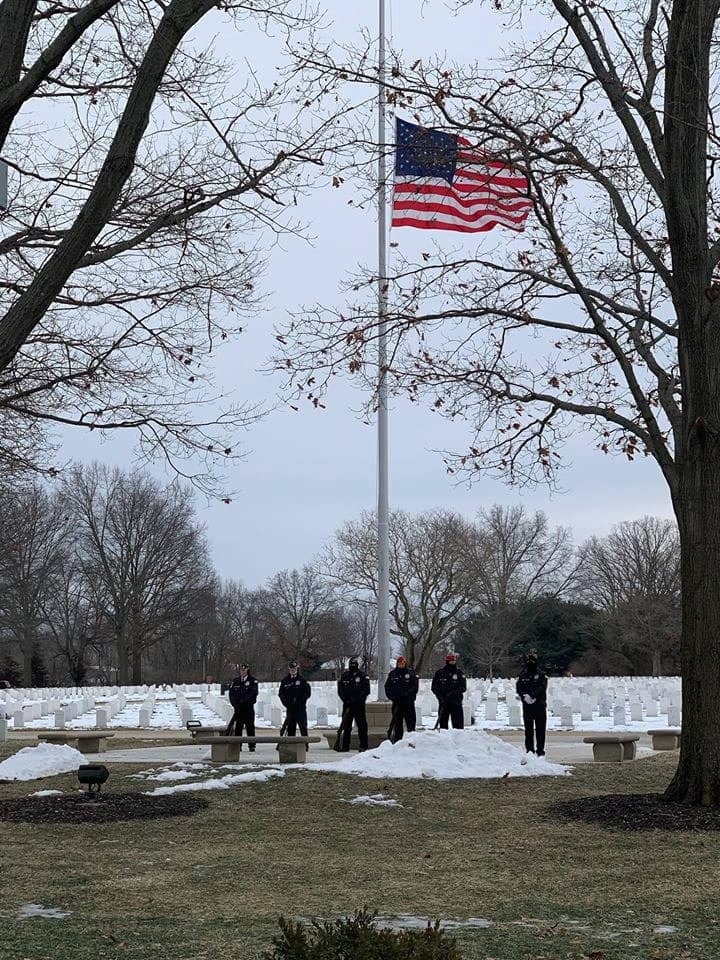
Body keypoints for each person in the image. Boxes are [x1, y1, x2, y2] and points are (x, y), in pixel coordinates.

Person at [516, 651, 548, 756]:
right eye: (529, 660)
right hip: (527, 706)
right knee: (528, 731)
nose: (530, 662)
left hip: (539, 705)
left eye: (532, 660)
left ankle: (540, 751)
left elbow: (542, 687)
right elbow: (519, 687)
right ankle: (529, 751)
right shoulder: (522, 675)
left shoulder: (541, 674)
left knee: (540, 731)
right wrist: (524, 697)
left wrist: (533, 696)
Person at [337, 656, 370, 751]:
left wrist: (357, 700)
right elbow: (340, 690)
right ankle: (345, 746)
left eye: (354, 664)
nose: (353, 666)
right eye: (351, 664)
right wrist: (346, 700)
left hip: (359, 706)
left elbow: (366, 691)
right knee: (346, 727)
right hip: (347, 705)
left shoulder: (363, 676)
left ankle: (363, 745)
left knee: (362, 726)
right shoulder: (344, 676)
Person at [384, 655, 419, 742]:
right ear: (397, 664)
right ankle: (397, 741)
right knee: (397, 724)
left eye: (403, 663)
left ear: (405, 663)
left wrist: (408, 696)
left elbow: (415, 687)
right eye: (399, 663)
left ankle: (412, 741)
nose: (401, 664)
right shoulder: (393, 674)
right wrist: (393, 697)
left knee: (410, 723)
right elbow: (387, 687)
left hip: (408, 703)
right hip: (397, 703)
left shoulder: (411, 673)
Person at [227, 662, 259, 751]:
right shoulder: (235, 681)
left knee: (250, 728)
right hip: (238, 709)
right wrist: (235, 704)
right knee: (238, 728)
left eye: (244, 670)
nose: (243, 671)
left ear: (247, 670)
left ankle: (252, 746)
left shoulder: (253, 681)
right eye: (241, 670)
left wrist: (244, 701)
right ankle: (238, 746)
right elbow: (231, 694)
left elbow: (253, 693)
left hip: (248, 708)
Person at [432, 653, 467, 729]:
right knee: (443, 726)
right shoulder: (439, 673)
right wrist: (441, 698)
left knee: (458, 725)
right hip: (444, 702)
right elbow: (434, 687)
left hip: (456, 702)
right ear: (447, 661)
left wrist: (453, 693)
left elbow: (463, 687)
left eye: (454, 661)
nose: (452, 662)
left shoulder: (459, 673)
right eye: (451, 661)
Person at [278, 660, 311, 736]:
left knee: (303, 729)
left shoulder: (302, 680)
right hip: (290, 709)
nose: (293, 670)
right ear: (289, 669)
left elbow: (307, 693)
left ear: (297, 669)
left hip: (300, 709)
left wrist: (300, 702)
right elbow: (281, 694)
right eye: (291, 669)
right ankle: (291, 746)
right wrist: (286, 703)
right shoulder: (285, 681)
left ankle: (305, 745)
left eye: (294, 669)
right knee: (290, 730)